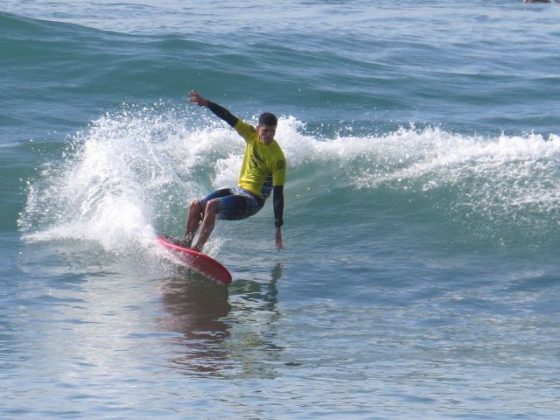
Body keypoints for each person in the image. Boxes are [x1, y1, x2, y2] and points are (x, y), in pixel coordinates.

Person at [179, 91, 286, 252]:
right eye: (265, 131)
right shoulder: (250, 134)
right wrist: (206, 103)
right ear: (258, 129)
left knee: (212, 205)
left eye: (272, 131)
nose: (268, 135)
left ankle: (198, 249)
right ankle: (186, 243)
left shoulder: (277, 158)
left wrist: (278, 229)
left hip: (253, 201)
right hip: (239, 191)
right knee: (195, 205)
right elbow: (228, 117)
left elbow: (278, 194)